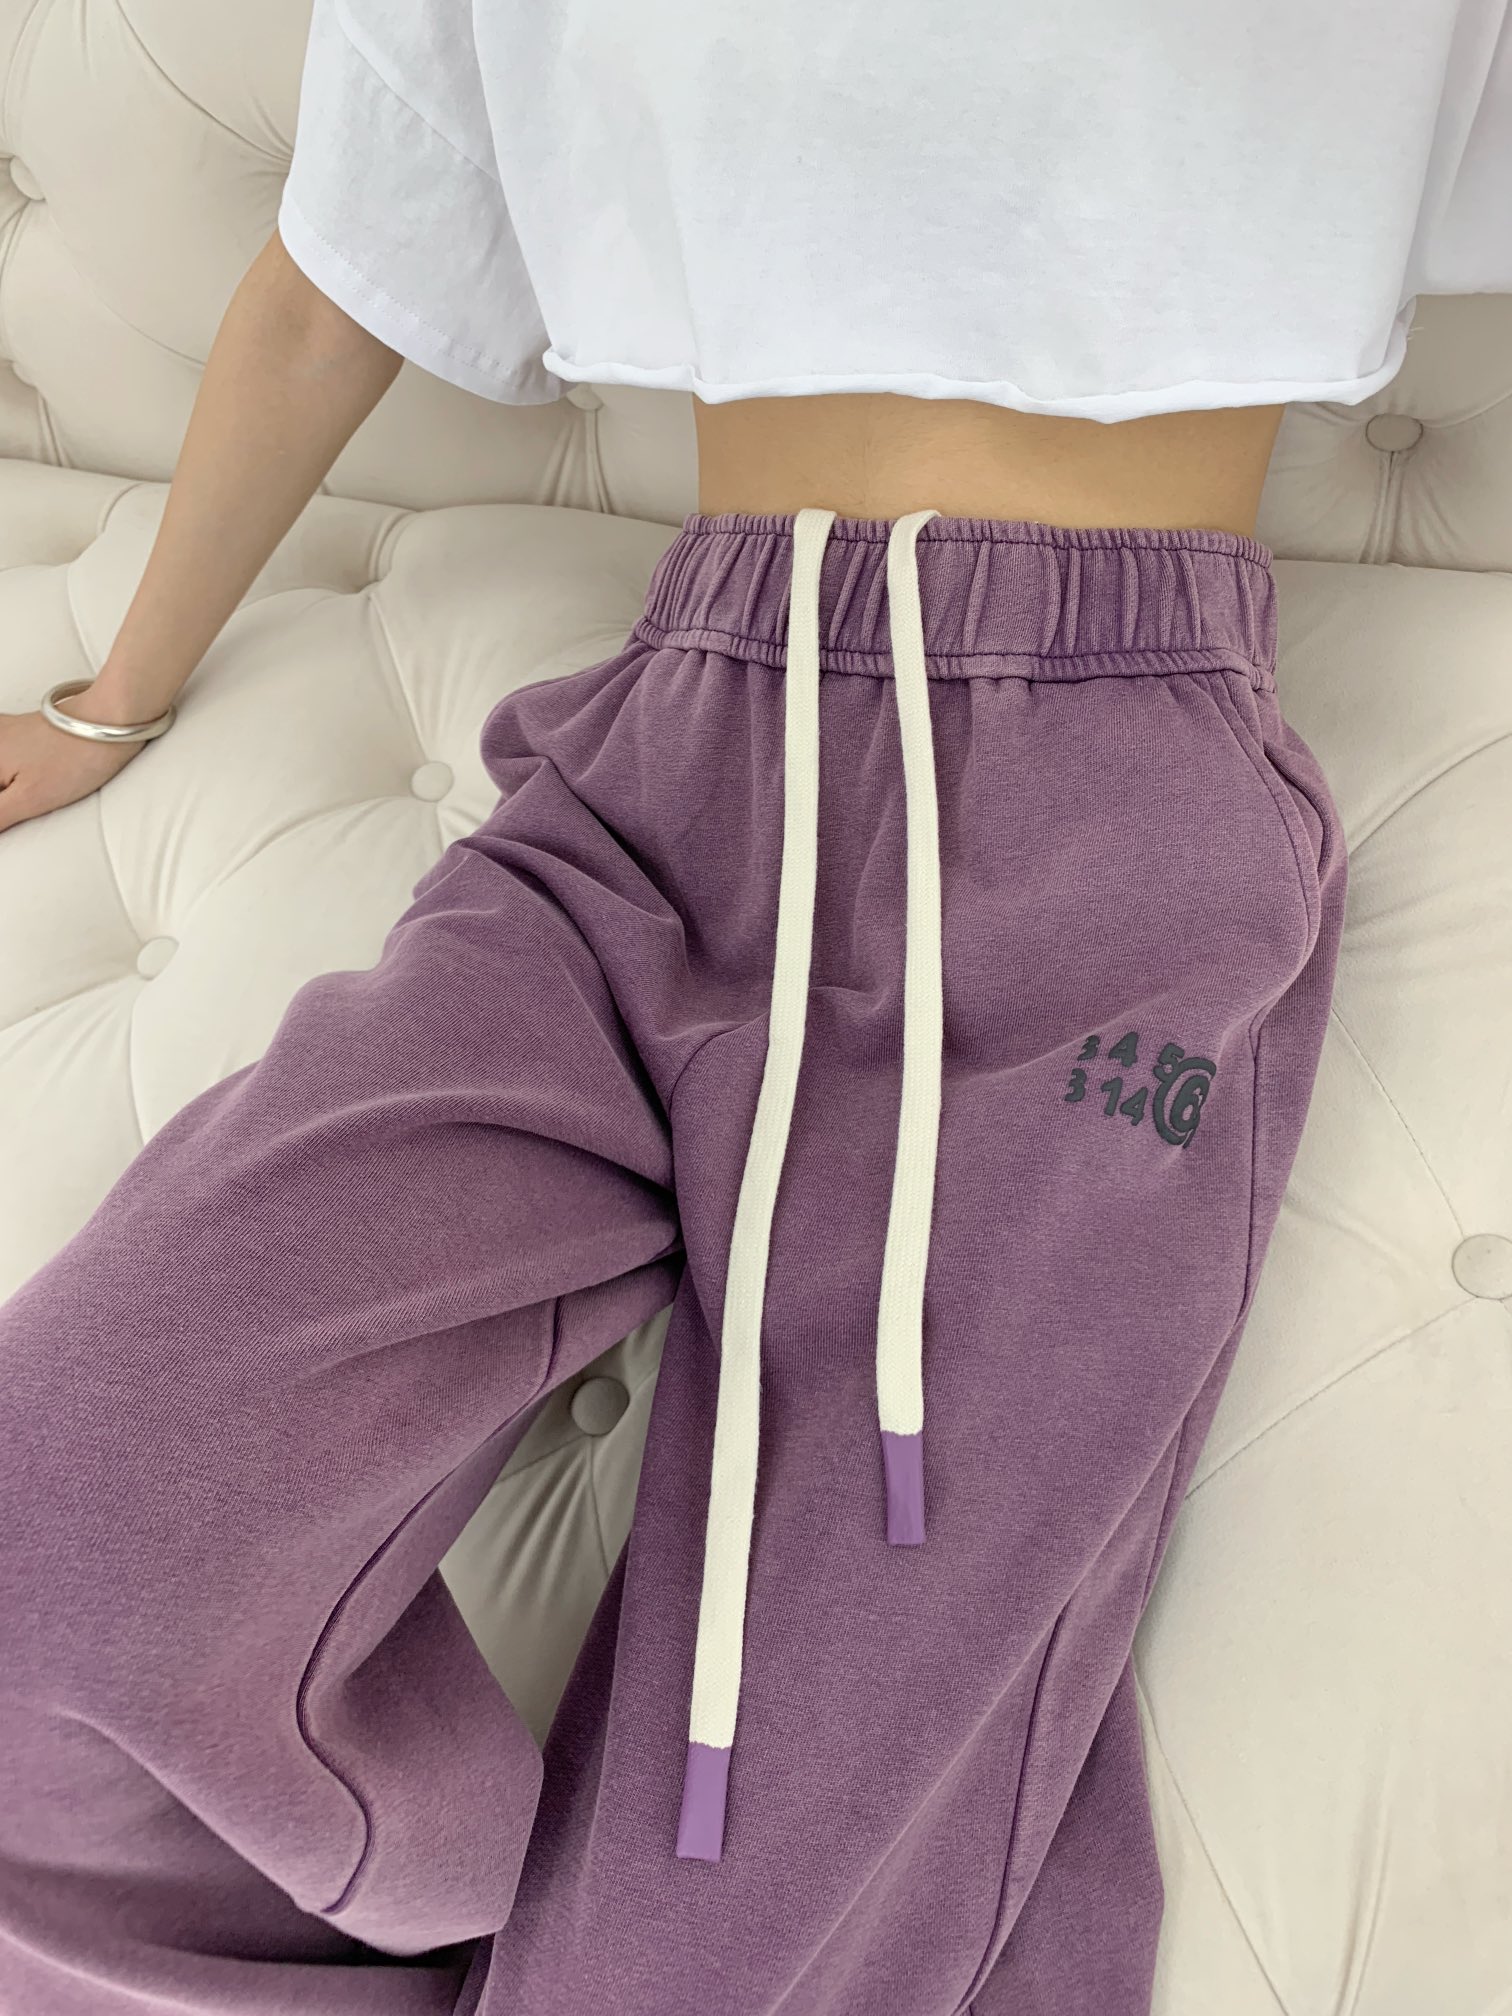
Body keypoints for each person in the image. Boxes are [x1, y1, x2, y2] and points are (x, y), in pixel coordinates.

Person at [0, 3, 1505, 2012]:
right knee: (57, 1555)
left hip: (1101, 823)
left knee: (743, 1912)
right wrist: (118, 694)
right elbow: (324, 291)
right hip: (665, 762)